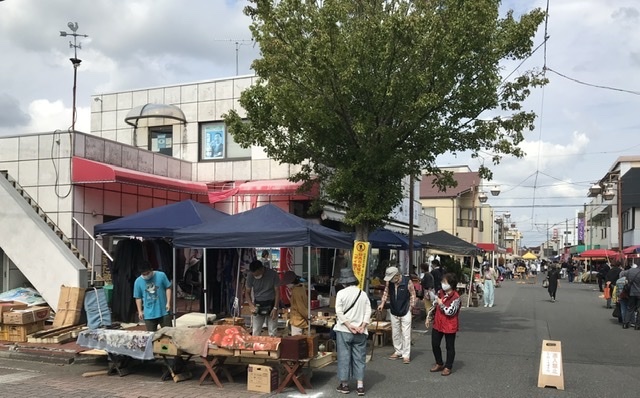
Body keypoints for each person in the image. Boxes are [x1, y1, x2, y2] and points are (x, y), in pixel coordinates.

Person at [334, 267, 371, 396]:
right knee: (359, 358)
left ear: (343, 282)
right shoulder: (363, 294)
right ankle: (360, 385)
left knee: (344, 357)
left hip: (344, 330)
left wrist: (349, 326)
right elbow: (368, 311)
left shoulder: (341, 294)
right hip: (361, 331)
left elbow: (338, 312)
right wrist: (362, 325)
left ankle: (345, 385)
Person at [377, 266, 416, 364]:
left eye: (391, 278)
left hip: (405, 310)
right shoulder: (389, 282)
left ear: (397, 276)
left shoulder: (407, 282)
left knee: (406, 334)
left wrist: (411, 308)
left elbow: (413, 295)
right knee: (395, 332)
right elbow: (386, 293)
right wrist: (382, 303)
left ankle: (406, 355)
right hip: (394, 309)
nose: (389, 280)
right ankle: (398, 351)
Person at [427, 272, 461, 376]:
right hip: (438, 322)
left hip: (450, 324)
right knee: (435, 343)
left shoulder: (456, 297)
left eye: (444, 282)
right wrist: (429, 316)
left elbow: (450, 311)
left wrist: (441, 304)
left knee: (449, 346)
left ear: (451, 284)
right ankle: (439, 362)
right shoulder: (440, 292)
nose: (442, 284)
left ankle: (448, 366)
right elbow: (434, 304)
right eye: (442, 282)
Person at [244, 260, 280, 336]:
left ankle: (271, 347)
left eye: (257, 274)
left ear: (262, 269)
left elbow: (277, 291)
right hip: (258, 304)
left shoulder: (273, 274)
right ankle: (256, 346)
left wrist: (275, 308)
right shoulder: (250, 276)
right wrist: (251, 305)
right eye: (254, 275)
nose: (256, 276)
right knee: (256, 330)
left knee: (272, 332)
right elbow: (247, 292)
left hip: (271, 303)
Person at [133, 262, 172, 331]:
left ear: (151, 269)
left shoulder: (161, 275)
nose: (146, 275)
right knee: (151, 336)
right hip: (149, 314)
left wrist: (168, 302)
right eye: (143, 274)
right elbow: (138, 297)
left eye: (147, 273)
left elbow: (168, 288)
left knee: (168, 334)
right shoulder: (138, 281)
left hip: (164, 311)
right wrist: (140, 311)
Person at [282, 271, 308, 336]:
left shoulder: (296, 291)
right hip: (300, 319)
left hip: (298, 321)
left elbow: (301, 308)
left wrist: (308, 318)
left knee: (297, 342)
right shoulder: (301, 288)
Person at [622, 264, 640, 329]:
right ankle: (638, 325)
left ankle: (625, 323)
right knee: (639, 309)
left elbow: (623, 274)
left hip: (632, 292)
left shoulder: (631, 271)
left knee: (630, 308)